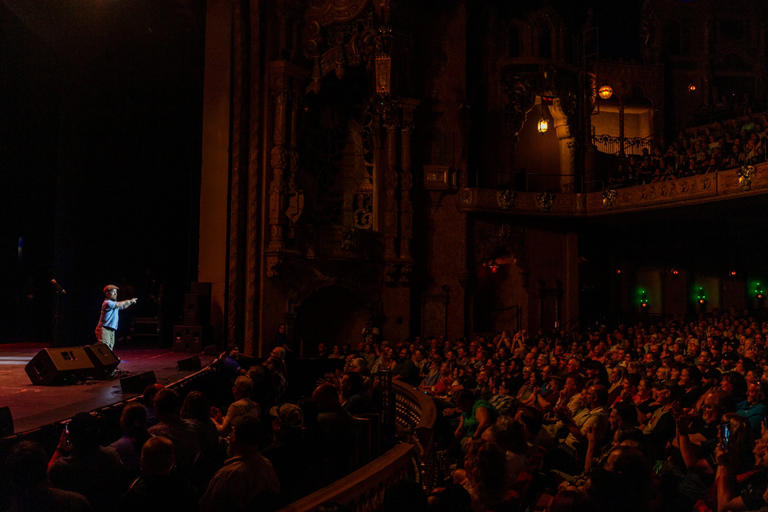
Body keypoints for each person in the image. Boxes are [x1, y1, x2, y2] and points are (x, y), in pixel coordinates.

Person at [95, 284, 137, 352]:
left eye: (116, 292)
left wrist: (130, 303)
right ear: (107, 293)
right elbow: (119, 304)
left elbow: (122, 306)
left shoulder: (113, 303)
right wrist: (130, 301)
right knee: (105, 347)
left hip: (111, 329)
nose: (115, 293)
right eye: (113, 292)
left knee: (110, 348)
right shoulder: (107, 303)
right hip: (104, 328)